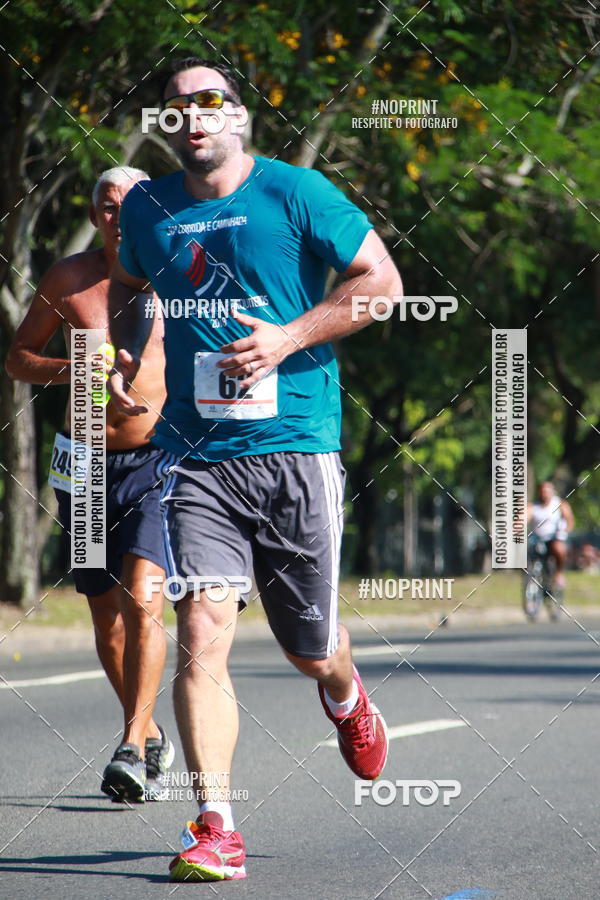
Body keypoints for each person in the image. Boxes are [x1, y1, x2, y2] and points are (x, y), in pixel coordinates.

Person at [107, 56, 402, 882]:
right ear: (166, 124)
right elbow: (127, 285)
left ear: (239, 114)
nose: (194, 117)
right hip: (194, 457)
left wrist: (286, 337)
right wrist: (133, 348)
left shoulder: (296, 192)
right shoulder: (147, 208)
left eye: (211, 102)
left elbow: (383, 282)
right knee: (201, 630)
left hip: (294, 451)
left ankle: (344, 692)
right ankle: (217, 826)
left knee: (309, 648)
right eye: (177, 107)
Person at [6, 166, 174, 803]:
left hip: (158, 461)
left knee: (143, 595)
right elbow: (18, 359)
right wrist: (74, 363)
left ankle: (132, 743)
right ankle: (150, 729)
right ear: (96, 211)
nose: (116, 214)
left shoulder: (177, 276)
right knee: (105, 619)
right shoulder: (66, 279)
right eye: (107, 204)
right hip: (82, 462)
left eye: (129, 204)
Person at [528, 480, 574, 589]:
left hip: (555, 537)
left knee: (559, 548)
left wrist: (565, 531)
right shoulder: (533, 506)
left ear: (553, 492)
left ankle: (559, 573)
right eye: (543, 491)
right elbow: (522, 519)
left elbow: (569, 520)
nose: (545, 493)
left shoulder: (560, 504)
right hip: (538, 538)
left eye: (547, 491)